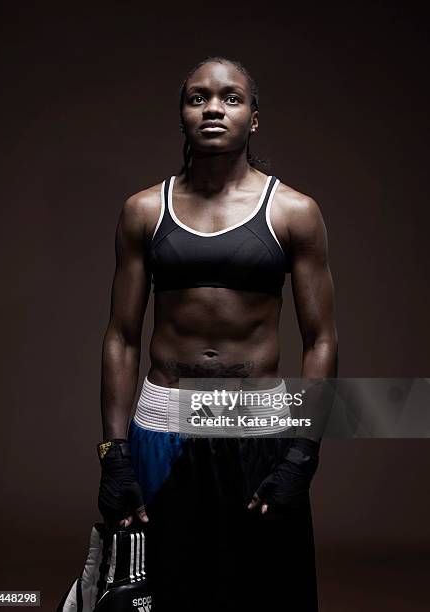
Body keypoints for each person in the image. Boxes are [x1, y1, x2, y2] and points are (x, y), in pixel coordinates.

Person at [97, 56, 338, 612]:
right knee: (163, 589)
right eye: (198, 97)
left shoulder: (295, 212)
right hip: (164, 423)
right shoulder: (141, 210)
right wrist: (113, 453)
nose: (213, 108)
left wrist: (303, 453)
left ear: (253, 118)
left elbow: (320, 339)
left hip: (255, 424)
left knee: (262, 590)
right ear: (181, 115)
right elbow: (122, 337)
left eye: (231, 98)